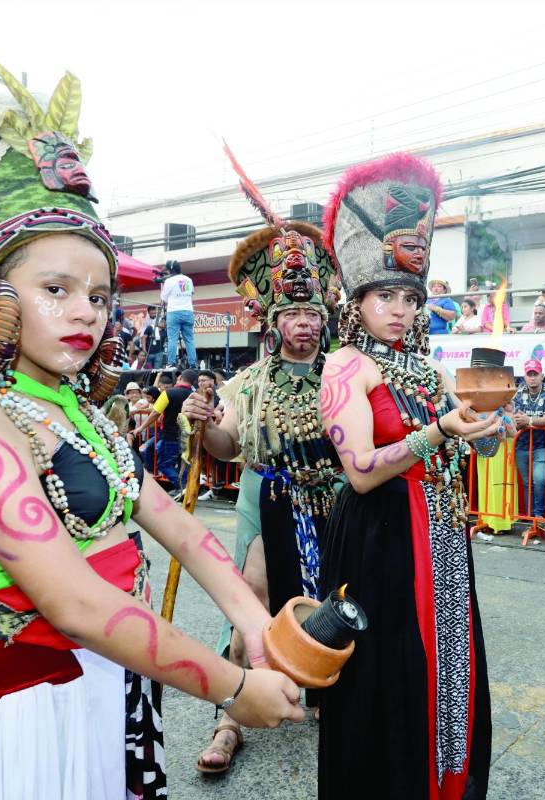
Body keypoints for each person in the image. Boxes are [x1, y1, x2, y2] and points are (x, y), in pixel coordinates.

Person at [0, 65, 302, 800]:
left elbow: (172, 520)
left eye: (100, 295)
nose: (87, 312)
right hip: (33, 706)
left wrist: (252, 617)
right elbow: (74, 604)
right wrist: (232, 687)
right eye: (56, 289)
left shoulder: (76, 410)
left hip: (116, 673)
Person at [317, 153, 501, 799]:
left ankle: (445, 783)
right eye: (384, 296)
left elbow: (473, 441)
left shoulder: (428, 368)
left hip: (442, 533)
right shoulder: (345, 365)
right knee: (388, 673)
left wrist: (490, 426)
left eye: (409, 297)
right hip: (383, 536)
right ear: (358, 300)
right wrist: (441, 431)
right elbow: (362, 473)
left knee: (450, 662)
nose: (398, 309)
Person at [182, 184, 342, 772]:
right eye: (292, 314)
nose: (303, 324)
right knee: (253, 595)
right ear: (273, 322)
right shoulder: (247, 383)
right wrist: (205, 426)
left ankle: (329, 692)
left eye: (311, 314)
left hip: (335, 497)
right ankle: (231, 717)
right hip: (266, 494)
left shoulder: (346, 374)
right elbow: (228, 447)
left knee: (341, 595)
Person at [513, 358, 545, 541]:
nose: (532, 377)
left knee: (540, 480)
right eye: (529, 374)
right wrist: (526, 422)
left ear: (542, 375)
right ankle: (531, 519)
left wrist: (529, 421)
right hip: (522, 445)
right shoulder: (518, 392)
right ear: (524, 376)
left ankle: (539, 516)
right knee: (527, 484)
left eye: (535, 374)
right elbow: (516, 419)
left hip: (544, 445)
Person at [135, 369, 197, 495]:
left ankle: (182, 487)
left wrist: (141, 428)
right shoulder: (195, 395)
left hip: (170, 435)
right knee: (183, 464)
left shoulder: (168, 393)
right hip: (189, 436)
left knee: (164, 465)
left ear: (180, 378)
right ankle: (184, 489)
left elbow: (155, 413)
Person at [472, 402, 519, 542]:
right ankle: (486, 520)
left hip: (503, 450)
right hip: (485, 449)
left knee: (501, 486)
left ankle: (502, 523)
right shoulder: (479, 407)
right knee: (486, 485)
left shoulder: (508, 408)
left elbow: (514, 432)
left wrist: (504, 416)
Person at [160, 260, 196, 368]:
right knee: (189, 339)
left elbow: (164, 298)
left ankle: (171, 363)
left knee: (173, 339)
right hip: (188, 311)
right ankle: (193, 364)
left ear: (170, 270)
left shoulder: (169, 281)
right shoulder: (188, 279)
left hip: (174, 312)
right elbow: (191, 293)